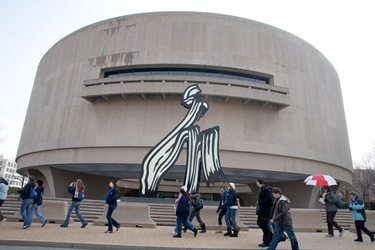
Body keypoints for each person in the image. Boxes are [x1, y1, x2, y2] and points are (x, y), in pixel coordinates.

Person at [256, 177, 274, 247]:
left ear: (258, 182)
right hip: (261, 211)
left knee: (264, 225)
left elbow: (270, 199)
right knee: (260, 223)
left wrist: (259, 202)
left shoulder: (265, 189)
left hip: (265, 211)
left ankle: (266, 241)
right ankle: (270, 237)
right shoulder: (262, 189)